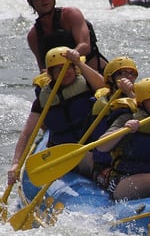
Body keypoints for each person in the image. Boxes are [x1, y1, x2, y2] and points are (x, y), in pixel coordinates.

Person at [7, 46, 105, 185]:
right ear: (50, 73)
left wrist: (79, 63)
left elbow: (102, 86)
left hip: (88, 147)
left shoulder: (87, 84)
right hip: (62, 153)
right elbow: (28, 133)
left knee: (91, 159)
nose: (65, 72)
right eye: (58, 69)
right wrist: (16, 163)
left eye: (68, 67)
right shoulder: (44, 98)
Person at [25, 0, 108, 74]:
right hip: (65, 81)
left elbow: (85, 46)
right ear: (30, 1)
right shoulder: (33, 36)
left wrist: (69, 56)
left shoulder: (71, 14)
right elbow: (43, 66)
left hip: (95, 73)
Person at [89, 56, 140, 188]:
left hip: (134, 161)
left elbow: (148, 115)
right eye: (122, 73)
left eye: (132, 74)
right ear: (111, 79)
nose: (128, 77)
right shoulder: (102, 105)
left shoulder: (140, 99)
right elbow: (99, 144)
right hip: (106, 165)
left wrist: (130, 94)